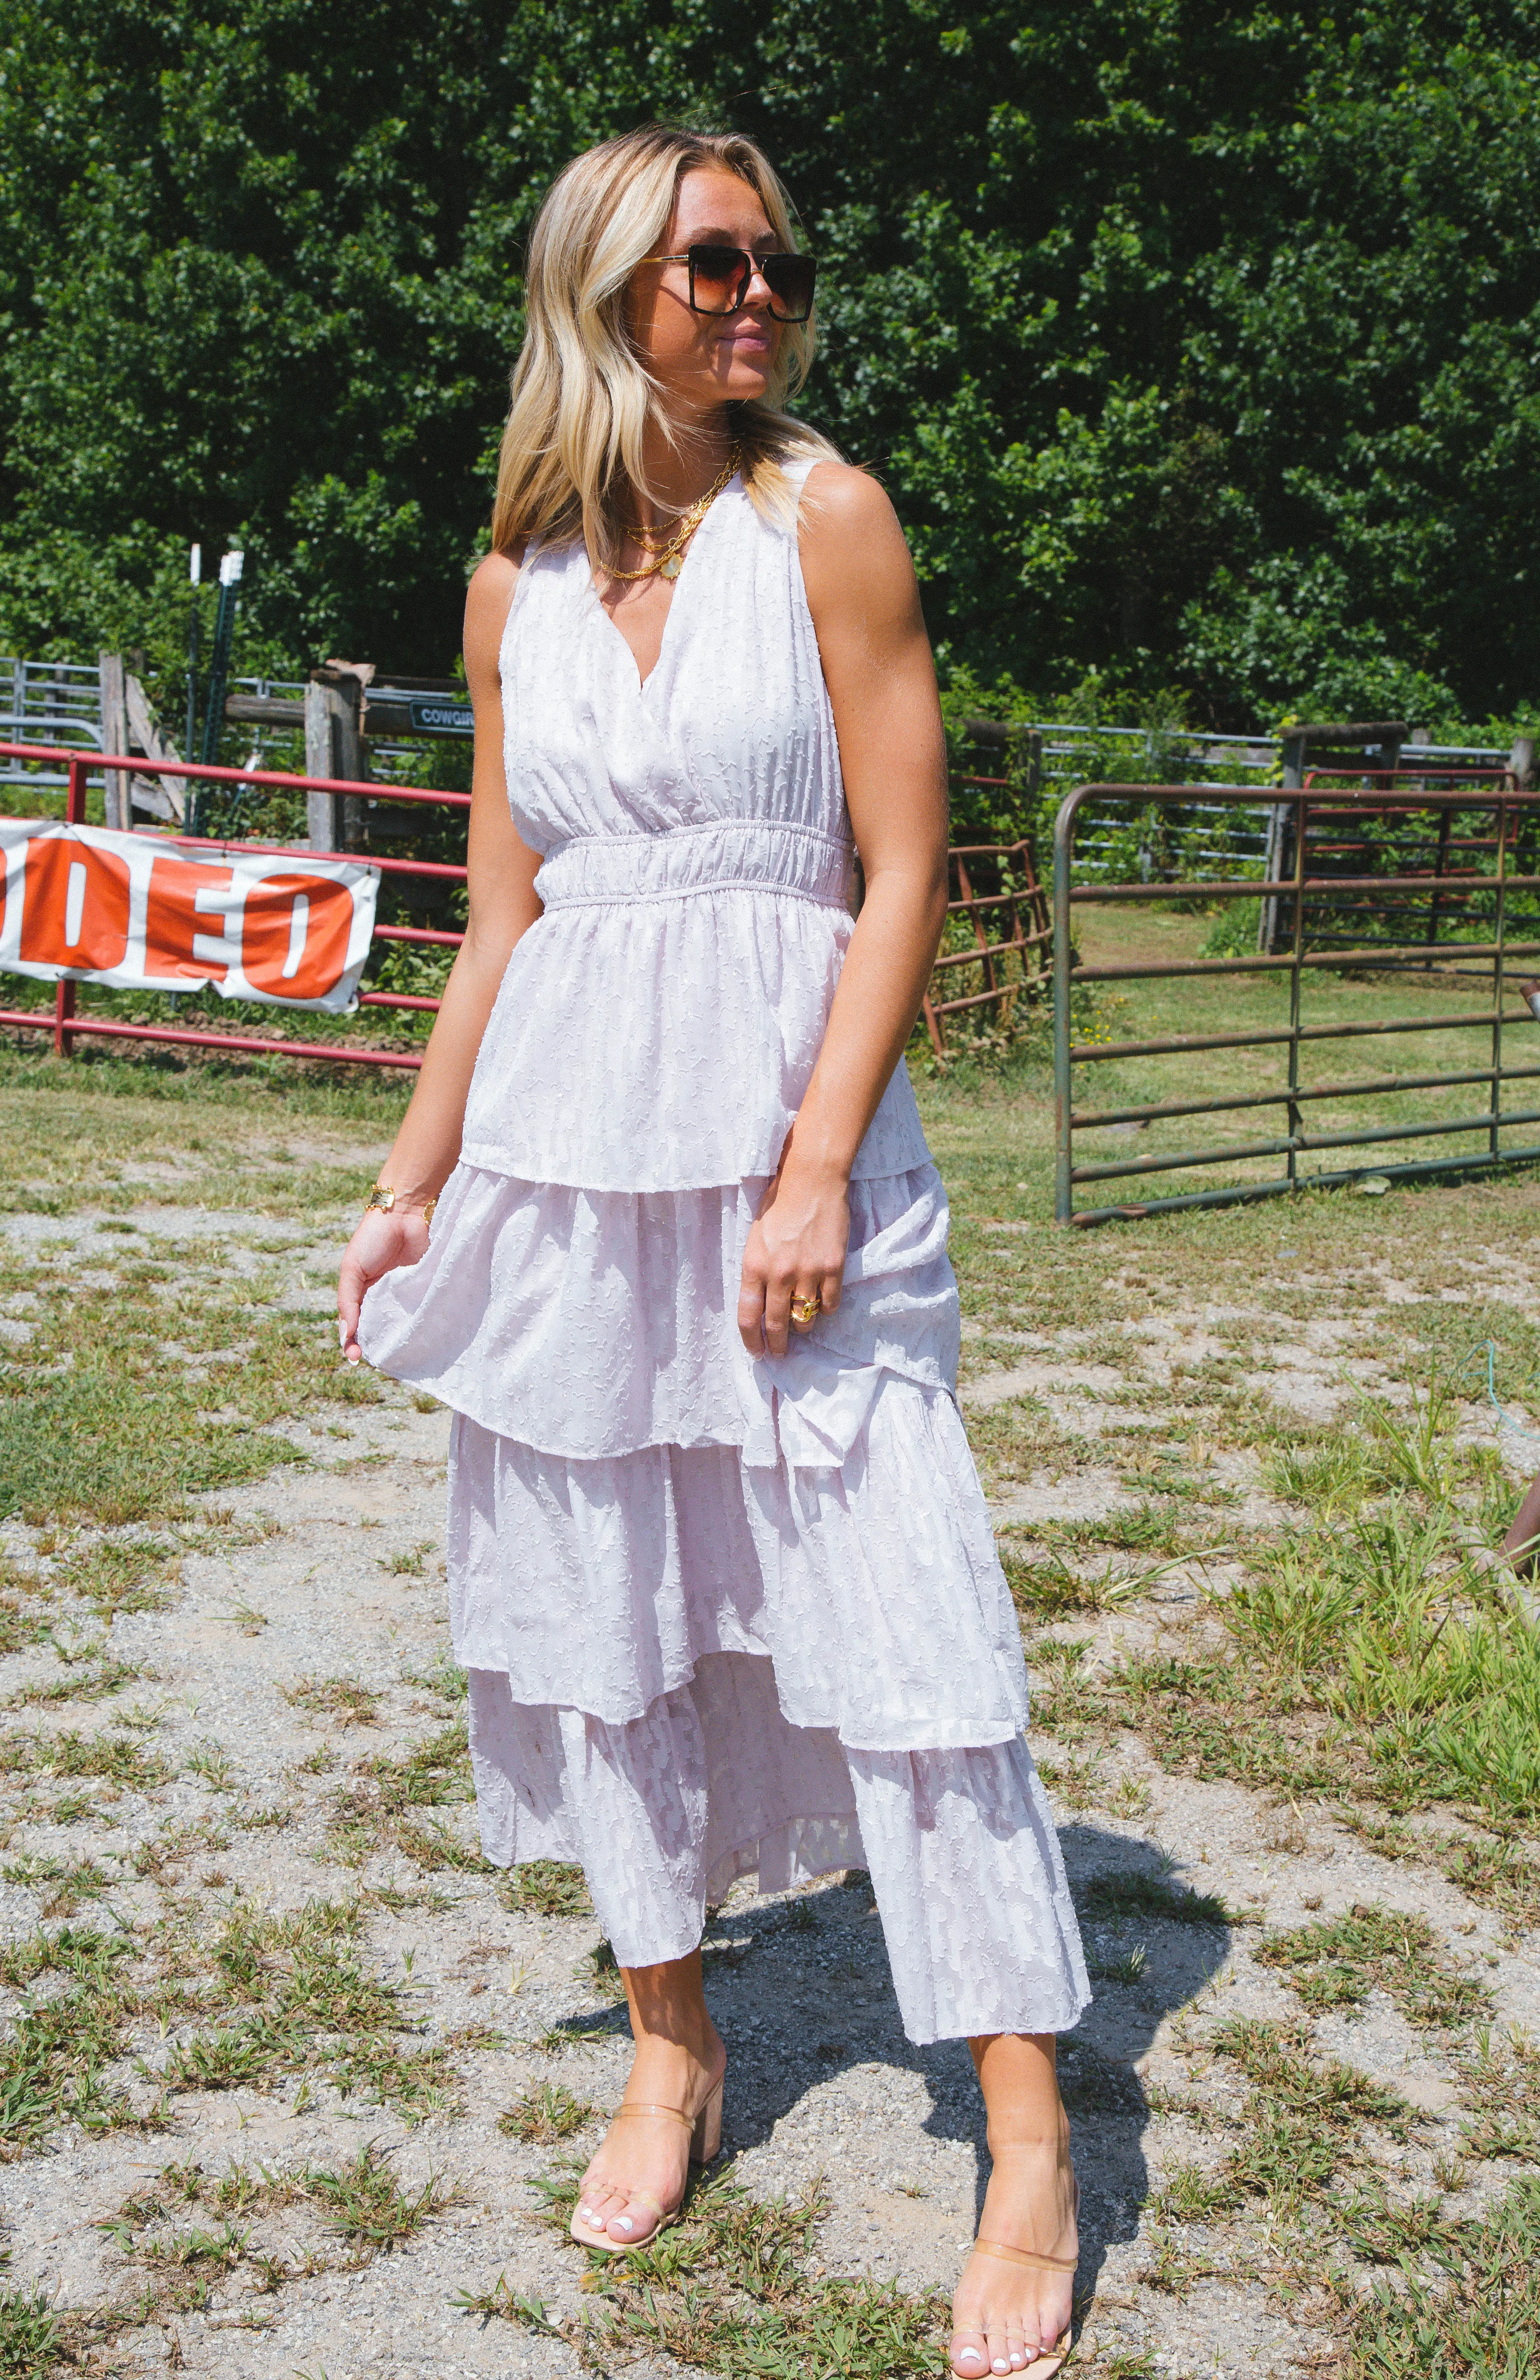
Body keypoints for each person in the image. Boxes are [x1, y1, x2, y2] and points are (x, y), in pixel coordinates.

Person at [337, 121, 1090, 2380]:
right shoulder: (511, 595)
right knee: (607, 1620)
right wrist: (410, 1174)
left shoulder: (823, 525)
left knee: (909, 1620)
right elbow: (498, 925)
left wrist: (810, 1171)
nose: (754, 298)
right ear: (602, 298)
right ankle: (672, 2042)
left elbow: (905, 870)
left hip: (791, 1168)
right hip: (566, 1182)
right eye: (708, 267)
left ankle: (1028, 2144)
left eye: (772, 263)